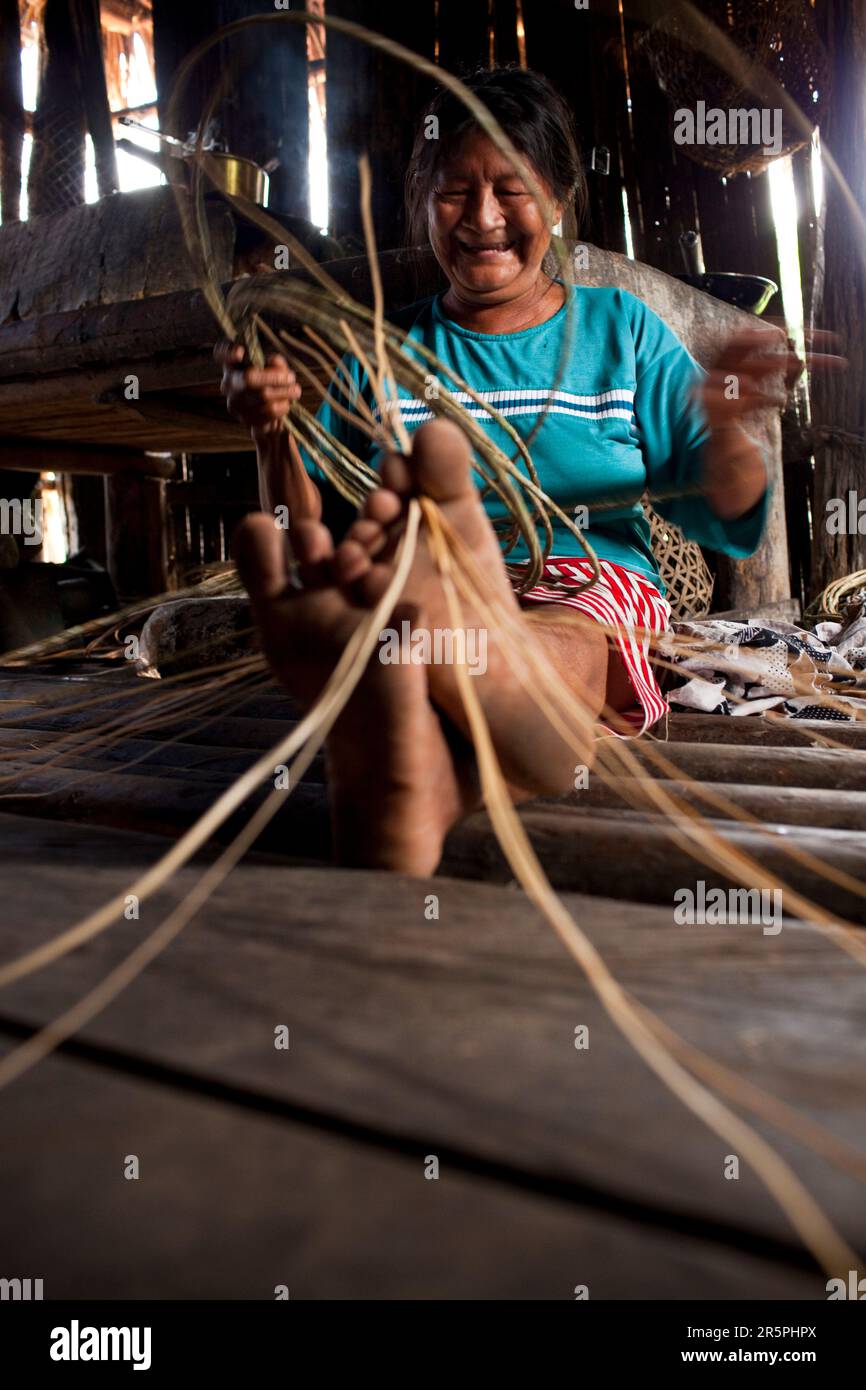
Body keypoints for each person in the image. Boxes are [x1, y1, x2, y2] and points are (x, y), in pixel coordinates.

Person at [219, 66, 793, 876]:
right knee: (394, 591)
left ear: (557, 201)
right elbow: (302, 525)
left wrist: (730, 429)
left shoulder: (620, 329)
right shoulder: (382, 353)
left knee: (560, 633)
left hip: (582, 582)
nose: (482, 219)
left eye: (511, 190)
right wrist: (270, 430)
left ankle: (439, 652)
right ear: (424, 202)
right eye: (455, 191)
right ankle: (424, 776)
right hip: (424, 573)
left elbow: (727, 516)